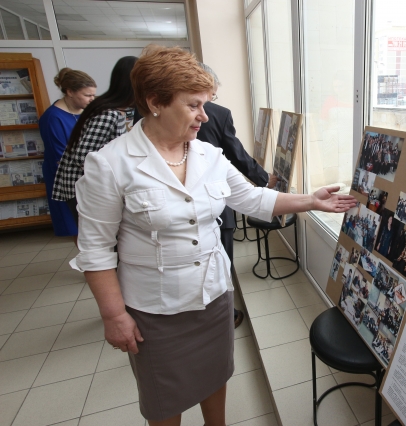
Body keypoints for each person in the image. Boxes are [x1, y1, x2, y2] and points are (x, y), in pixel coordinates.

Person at [71, 45, 356, 426]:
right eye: (193, 105)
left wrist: (311, 201)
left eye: (206, 104)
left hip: (213, 296)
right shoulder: (110, 164)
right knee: (164, 399)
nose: (204, 116)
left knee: (215, 377)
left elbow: (252, 198)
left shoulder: (208, 155)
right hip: (156, 309)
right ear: (156, 101)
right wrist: (114, 315)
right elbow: (95, 251)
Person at [194, 63, 277, 329]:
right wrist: (265, 179)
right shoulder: (217, 114)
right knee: (221, 261)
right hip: (217, 207)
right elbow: (237, 155)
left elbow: (248, 196)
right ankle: (224, 315)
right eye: (211, 94)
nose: (202, 114)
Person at [52, 57, 138, 229]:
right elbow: (84, 157)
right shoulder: (108, 113)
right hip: (84, 187)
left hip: (91, 185)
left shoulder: (112, 107)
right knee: (98, 238)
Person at [39, 67, 96, 236]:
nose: (92, 99)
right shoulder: (52, 118)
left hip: (89, 173)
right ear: (70, 92)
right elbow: (61, 157)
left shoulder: (86, 112)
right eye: (87, 95)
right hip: (67, 178)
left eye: (93, 95)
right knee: (75, 226)